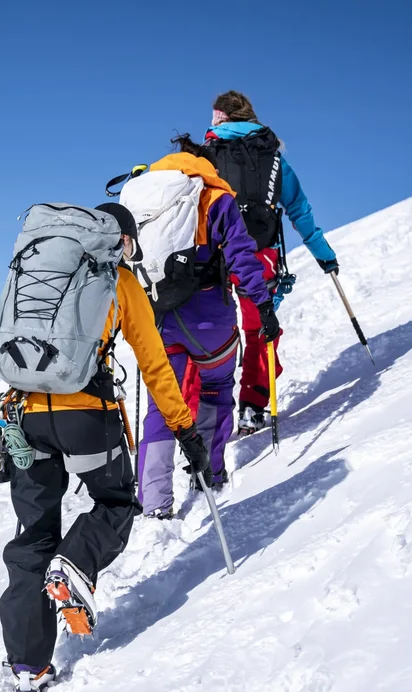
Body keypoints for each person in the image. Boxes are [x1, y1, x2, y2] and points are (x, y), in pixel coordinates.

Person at [0, 203, 212, 692]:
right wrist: (187, 432)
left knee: (32, 536)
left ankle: (29, 665)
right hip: (86, 416)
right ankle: (74, 563)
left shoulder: (39, 269)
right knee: (115, 503)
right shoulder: (120, 282)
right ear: (125, 241)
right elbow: (155, 366)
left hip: (23, 416)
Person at [134, 139, 281, 518]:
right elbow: (241, 256)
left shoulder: (144, 195)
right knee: (215, 391)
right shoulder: (214, 195)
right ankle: (210, 475)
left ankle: (154, 502)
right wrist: (263, 306)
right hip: (209, 318)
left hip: (159, 318)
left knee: (162, 407)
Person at [203, 90, 339, 435]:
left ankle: (204, 417)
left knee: (207, 332)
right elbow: (300, 212)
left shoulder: (205, 157)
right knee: (260, 330)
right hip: (260, 255)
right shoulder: (274, 158)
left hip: (213, 256)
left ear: (219, 117)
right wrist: (324, 255)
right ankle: (252, 405)